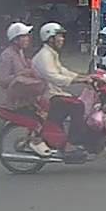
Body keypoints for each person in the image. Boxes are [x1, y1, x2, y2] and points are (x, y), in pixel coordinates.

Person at [31, 22, 90, 156]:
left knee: (75, 102)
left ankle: (61, 137)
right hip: (48, 95)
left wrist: (82, 76)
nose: (62, 39)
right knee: (77, 105)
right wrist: (78, 80)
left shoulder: (51, 53)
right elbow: (54, 77)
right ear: (50, 38)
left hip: (53, 92)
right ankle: (71, 144)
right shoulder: (44, 56)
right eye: (59, 36)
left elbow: (62, 70)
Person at [0, 22, 44, 110]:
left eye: (27, 36)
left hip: (27, 97)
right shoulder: (7, 56)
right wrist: (19, 74)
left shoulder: (20, 52)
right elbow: (3, 80)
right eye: (24, 36)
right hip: (16, 102)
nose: (27, 39)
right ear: (15, 40)